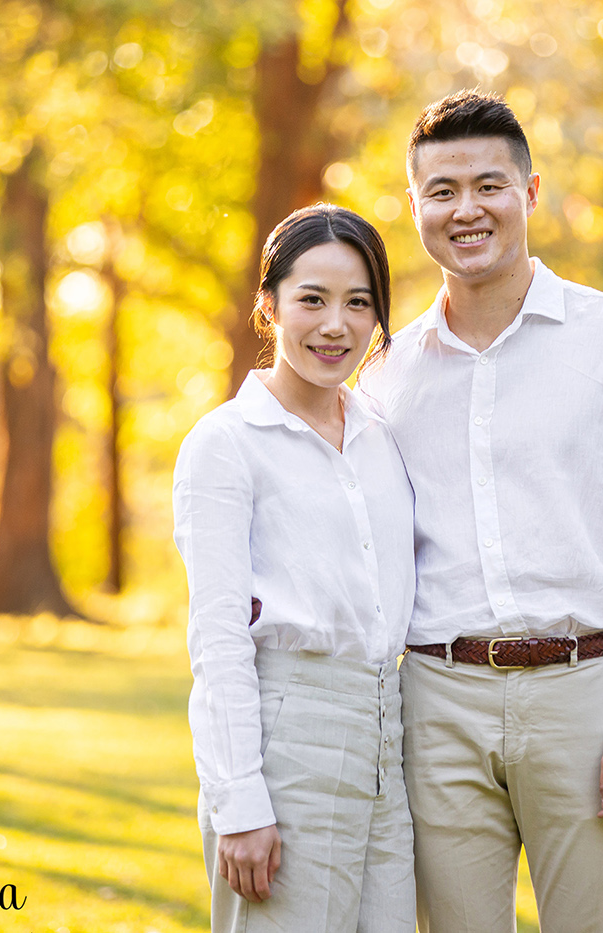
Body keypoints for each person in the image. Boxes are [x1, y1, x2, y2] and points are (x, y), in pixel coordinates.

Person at [359, 91, 603, 932]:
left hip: (585, 696)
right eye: (441, 190)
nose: (466, 209)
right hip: (438, 701)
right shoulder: (387, 374)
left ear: (531, 192)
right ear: (413, 207)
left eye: (489, 185)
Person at [173, 204, 416, 933]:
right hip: (288, 742)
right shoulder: (226, 444)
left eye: (359, 302)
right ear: (269, 304)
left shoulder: (380, 436)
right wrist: (240, 801)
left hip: (387, 740)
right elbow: (217, 640)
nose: (336, 324)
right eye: (312, 298)